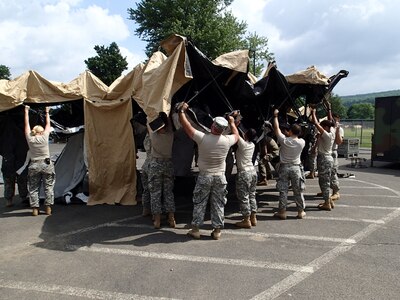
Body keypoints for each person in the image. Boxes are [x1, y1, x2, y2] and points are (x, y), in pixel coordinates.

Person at [178, 102, 239, 240]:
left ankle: (196, 229)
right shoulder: (227, 140)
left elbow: (187, 127)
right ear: (223, 130)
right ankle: (217, 230)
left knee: (200, 202)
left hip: (205, 176)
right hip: (220, 177)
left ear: (212, 126)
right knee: (218, 203)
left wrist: (182, 112)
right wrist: (232, 122)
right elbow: (236, 134)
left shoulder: (203, 138)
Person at [272, 109, 306, 219]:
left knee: (283, 191)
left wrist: (275, 116)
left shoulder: (284, 141)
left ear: (290, 131)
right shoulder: (302, 142)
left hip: (284, 167)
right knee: (298, 190)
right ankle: (300, 211)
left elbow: (276, 128)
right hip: (296, 167)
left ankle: (282, 212)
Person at [24, 106, 55, 216]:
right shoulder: (45, 137)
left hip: (34, 164)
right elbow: (48, 124)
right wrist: (47, 112)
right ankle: (48, 208)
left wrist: (26, 111)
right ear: (41, 132)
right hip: (47, 164)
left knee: (33, 188)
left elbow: (26, 125)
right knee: (48, 186)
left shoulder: (30, 139)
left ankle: (35, 209)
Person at [147, 115, 175, 229]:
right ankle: (171, 217)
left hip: (156, 164)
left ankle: (157, 219)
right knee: (168, 192)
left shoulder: (154, 136)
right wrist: (167, 117)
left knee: (155, 193)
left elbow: (148, 122)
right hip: (168, 163)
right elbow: (170, 126)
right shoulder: (170, 135)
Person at [311, 108, 335, 211]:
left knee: (323, 181)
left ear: (325, 127)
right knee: (326, 180)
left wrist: (313, 113)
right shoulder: (332, 131)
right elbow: (331, 120)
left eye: (322, 126)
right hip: (328, 158)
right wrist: (329, 109)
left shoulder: (327, 135)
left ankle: (326, 203)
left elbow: (316, 123)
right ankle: (328, 200)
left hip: (324, 159)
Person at [235, 128, 258, 228]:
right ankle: (253, 217)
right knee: (252, 195)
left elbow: (236, 134)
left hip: (244, 172)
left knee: (244, 197)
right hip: (253, 172)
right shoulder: (252, 145)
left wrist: (233, 123)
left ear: (246, 135)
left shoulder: (243, 145)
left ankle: (246, 219)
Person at [141, 132, 152, 217]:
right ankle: (156, 214)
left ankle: (145, 209)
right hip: (155, 164)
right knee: (156, 191)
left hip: (146, 164)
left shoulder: (147, 137)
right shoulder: (158, 137)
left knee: (146, 189)